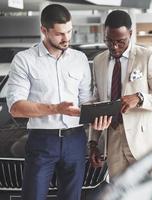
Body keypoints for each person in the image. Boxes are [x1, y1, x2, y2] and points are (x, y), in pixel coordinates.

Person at [6, 4, 110, 200]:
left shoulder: (79, 59)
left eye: (70, 31)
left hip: (75, 140)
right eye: (60, 34)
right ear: (44, 30)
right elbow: (16, 108)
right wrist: (55, 109)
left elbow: (86, 101)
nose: (67, 38)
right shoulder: (24, 60)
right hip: (42, 141)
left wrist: (97, 117)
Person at [88, 10, 152, 178]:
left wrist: (140, 98)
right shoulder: (98, 61)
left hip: (145, 142)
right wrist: (93, 143)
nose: (114, 46)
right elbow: (98, 103)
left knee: (149, 191)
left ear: (131, 34)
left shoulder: (147, 57)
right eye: (109, 41)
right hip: (113, 142)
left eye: (120, 41)